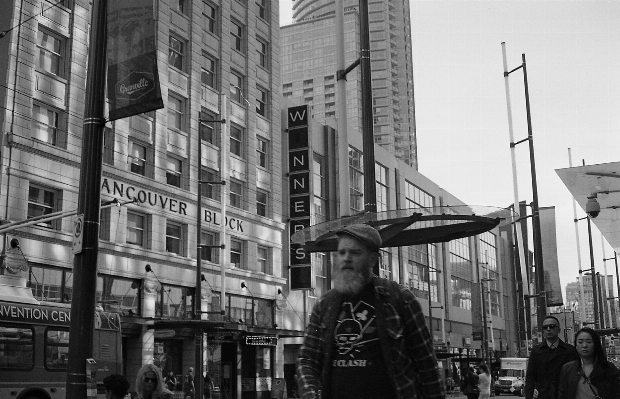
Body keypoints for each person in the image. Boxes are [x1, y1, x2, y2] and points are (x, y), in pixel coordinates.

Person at [296, 224, 444, 399]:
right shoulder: (324, 305)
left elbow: (427, 365)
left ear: (372, 259)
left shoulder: (400, 299)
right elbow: (307, 360)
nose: (346, 258)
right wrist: (310, 394)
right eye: (341, 252)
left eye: (355, 253)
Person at [525, 316, 579, 399]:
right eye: (545, 327)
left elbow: (575, 376)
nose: (548, 329)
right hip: (544, 395)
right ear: (543, 331)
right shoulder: (536, 351)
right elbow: (530, 377)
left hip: (563, 394)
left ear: (559, 330)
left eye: (552, 326)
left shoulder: (570, 351)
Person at [558, 327, 620, 399]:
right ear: (576, 346)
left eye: (589, 342)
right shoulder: (567, 368)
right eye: (580, 342)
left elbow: (617, 393)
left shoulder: (608, 367)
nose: (584, 346)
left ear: (595, 344)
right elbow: (562, 394)